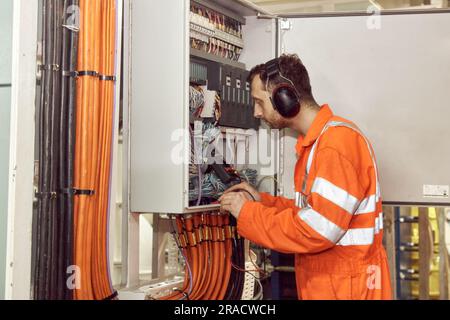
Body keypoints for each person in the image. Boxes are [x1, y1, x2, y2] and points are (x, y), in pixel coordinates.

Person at [219, 54, 392, 300]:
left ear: (283, 98)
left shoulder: (336, 145)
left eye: (259, 102)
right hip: (335, 284)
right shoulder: (319, 143)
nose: (256, 112)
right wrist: (263, 202)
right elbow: (313, 212)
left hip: (346, 289)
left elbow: (316, 230)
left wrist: (248, 213)